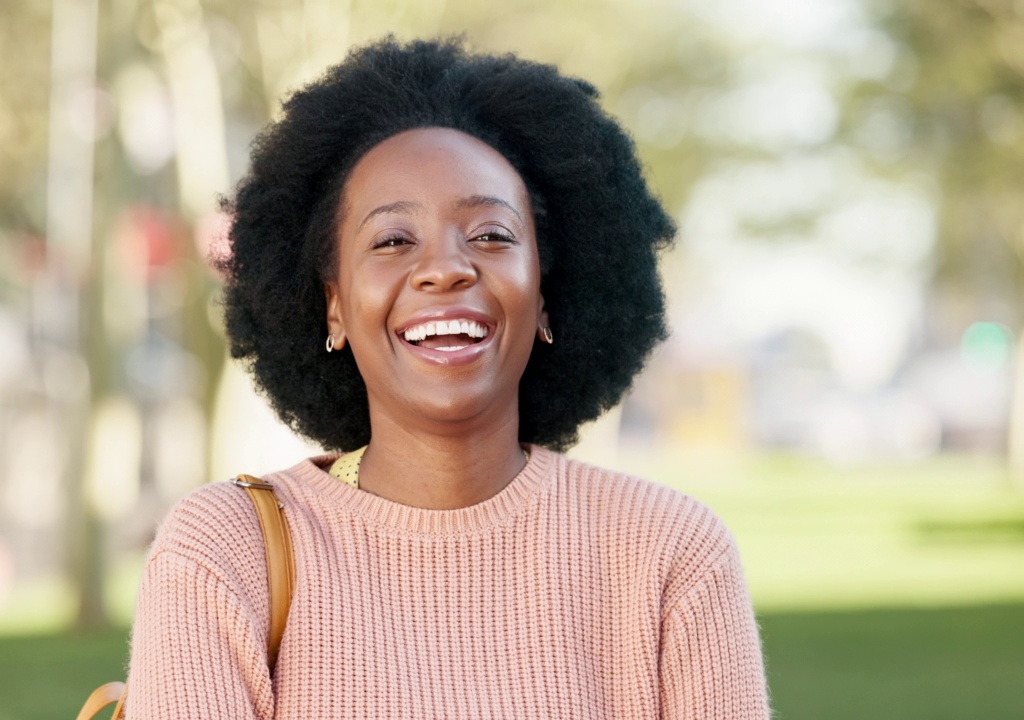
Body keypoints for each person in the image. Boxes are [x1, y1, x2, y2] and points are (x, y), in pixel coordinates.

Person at [126, 38, 769, 719]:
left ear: (546, 293)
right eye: (393, 241)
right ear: (334, 306)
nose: (446, 268)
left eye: (491, 235)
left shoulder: (671, 554)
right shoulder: (226, 554)